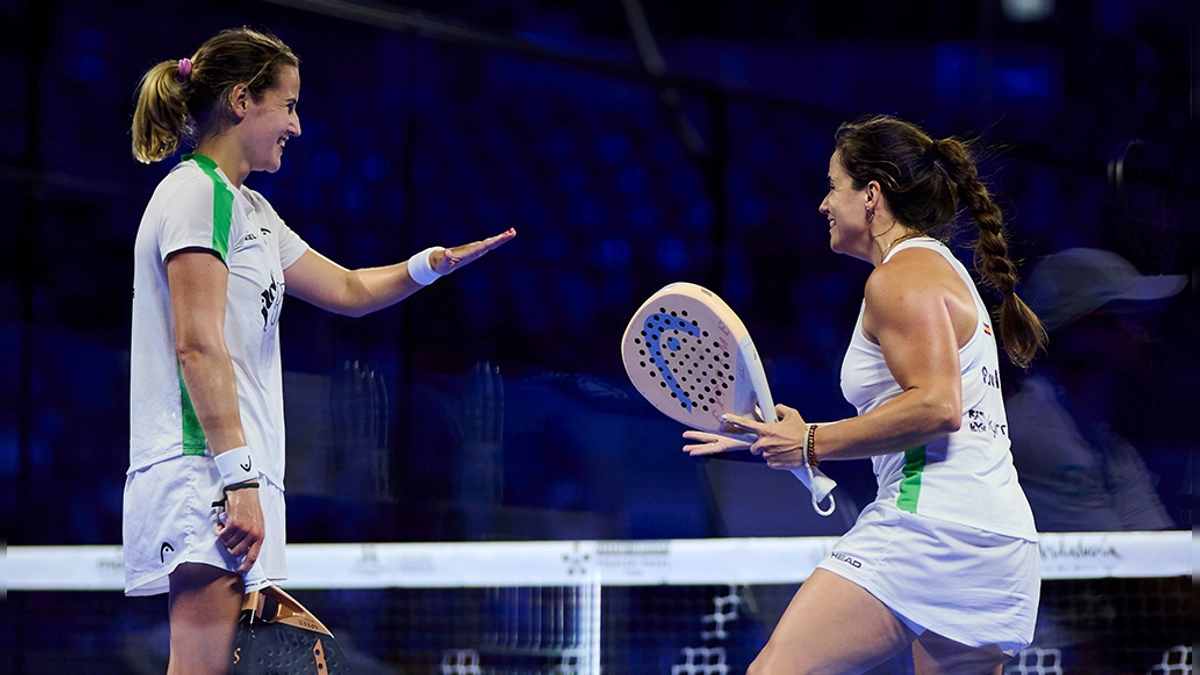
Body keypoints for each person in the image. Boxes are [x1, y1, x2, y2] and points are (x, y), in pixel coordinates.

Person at [123, 27, 515, 675]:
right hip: (207, 471)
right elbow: (196, 345)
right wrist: (239, 479)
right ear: (244, 100)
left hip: (229, 474)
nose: (298, 126)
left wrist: (434, 264)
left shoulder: (252, 210)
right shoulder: (197, 193)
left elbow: (350, 288)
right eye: (290, 105)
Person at [684, 114, 1046, 674]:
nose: (823, 204)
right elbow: (922, 411)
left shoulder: (902, 277)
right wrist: (797, 440)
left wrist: (810, 442)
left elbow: (936, 406)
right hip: (995, 539)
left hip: (932, 530)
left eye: (834, 186)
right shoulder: (937, 270)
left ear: (872, 195)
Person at [1006, 247, 1185, 533]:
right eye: (1131, 318)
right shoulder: (1036, 433)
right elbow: (1121, 570)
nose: (1146, 336)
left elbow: (1162, 554)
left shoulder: (1105, 440)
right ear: (1087, 333)